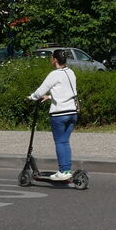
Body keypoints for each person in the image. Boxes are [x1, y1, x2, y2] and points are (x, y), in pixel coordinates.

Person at [27, 49, 79, 181]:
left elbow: (39, 91)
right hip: (73, 112)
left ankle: (63, 171)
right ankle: (66, 169)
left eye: (51, 57)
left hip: (59, 114)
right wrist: (50, 96)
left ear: (55, 60)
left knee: (60, 142)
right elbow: (67, 91)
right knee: (65, 142)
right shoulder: (70, 72)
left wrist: (32, 97)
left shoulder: (54, 74)